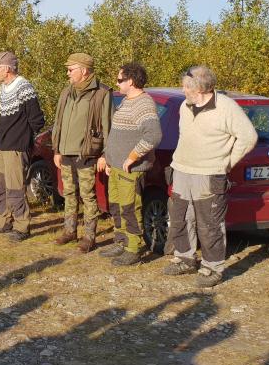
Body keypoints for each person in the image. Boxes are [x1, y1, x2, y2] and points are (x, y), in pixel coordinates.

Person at [163, 66, 257, 287]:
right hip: (182, 171)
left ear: (200, 88)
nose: (183, 90)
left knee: (210, 224)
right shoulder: (184, 106)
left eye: (186, 86)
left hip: (209, 175)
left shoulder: (226, 107)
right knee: (180, 218)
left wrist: (227, 162)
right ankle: (185, 259)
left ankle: (212, 268)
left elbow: (248, 137)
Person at [99, 63, 162, 266]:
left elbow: (153, 135)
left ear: (131, 81)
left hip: (129, 170)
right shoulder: (127, 101)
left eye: (120, 80)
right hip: (115, 167)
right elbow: (117, 135)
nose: (116, 83)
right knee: (116, 206)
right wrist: (107, 157)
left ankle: (133, 249)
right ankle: (121, 241)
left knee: (130, 208)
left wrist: (133, 156)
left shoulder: (144, 104)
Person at [51, 52, 112, 253]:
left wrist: (105, 154)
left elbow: (108, 125)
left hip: (87, 153)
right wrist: (57, 149)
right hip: (65, 152)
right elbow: (58, 121)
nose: (68, 73)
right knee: (69, 193)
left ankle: (89, 237)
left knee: (87, 196)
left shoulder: (102, 93)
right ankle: (69, 231)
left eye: (71, 69)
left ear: (84, 71)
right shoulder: (66, 92)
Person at [0, 51, 45, 242]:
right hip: (2, 146)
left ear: (7, 68)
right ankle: (4, 222)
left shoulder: (24, 86)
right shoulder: (3, 87)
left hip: (16, 147)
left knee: (15, 188)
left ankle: (22, 227)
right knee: (0, 187)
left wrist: (24, 139)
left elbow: (37, 120)